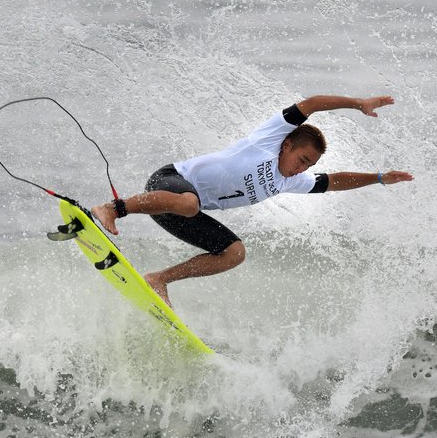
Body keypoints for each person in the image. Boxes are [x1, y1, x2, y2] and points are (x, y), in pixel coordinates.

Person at [93, 95, 413, 308]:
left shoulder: (290, 180)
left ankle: (158, 279)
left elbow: (334, 182)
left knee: (235, 253)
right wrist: (358, 103)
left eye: (309, 166)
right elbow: (313, 103)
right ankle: (113, 208)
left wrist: (380, 177)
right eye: (302, 159)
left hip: (181, 211)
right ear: (287, 145)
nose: (302, 168)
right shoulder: (269, 138)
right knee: (190, 202)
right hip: (167, 183)